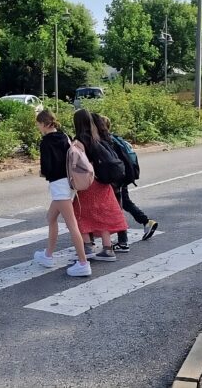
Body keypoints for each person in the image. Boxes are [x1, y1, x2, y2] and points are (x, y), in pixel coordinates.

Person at [34, 109, 91, 277]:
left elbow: (47, 169)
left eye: (38, 124)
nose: (38, 127)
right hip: (69, 183)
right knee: (51, 218)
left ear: (44, 124)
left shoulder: (46, 142)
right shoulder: (64, 136)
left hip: (59, 185)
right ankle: (47, 255)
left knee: (72, 225)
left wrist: (42, 172)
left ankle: (83, 263)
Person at [92, 114, 158, 253]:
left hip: (115, 180)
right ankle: (146, 222)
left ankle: (123, 241)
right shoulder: (114, 139)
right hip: (122, 177)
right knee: (125, 202)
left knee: (117, 208)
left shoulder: (106, 141)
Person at [73, 109, 128, 262]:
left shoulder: (78, 141)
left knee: (79, 213)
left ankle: (87, 247)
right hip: (103, 182)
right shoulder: (96, 137)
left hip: (89, 183)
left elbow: (77, 164)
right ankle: (108, 249)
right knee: (102, 215)